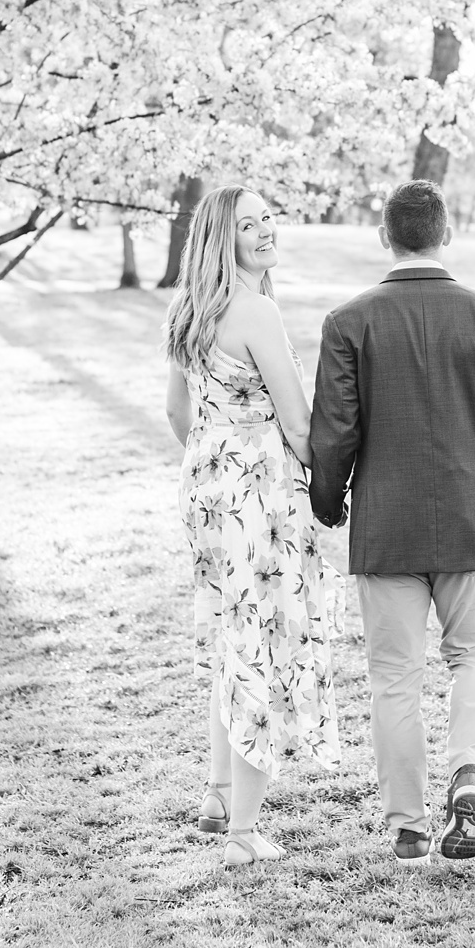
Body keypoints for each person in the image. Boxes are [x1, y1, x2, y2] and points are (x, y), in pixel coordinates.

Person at [308, 179, 475, 867]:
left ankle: (408, 825)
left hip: (385, 526)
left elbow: (334, 434)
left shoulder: (348, 322)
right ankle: (470, 775)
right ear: (447, 234)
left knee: (393, 676)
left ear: (385, 236)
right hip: (472, 523)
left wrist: (328, 503)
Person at [163, 185, 342, 867]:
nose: (266, 231)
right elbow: (299, 424)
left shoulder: (187, 311)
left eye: (269, 218)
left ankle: (216, 795)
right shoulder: (256, 311)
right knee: (261, 647)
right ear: (222, 239)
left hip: (209, 493)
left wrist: (216, 458)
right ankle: (242, 831)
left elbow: (177, 414)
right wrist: (329, 491)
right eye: (248, 225)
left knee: (232, 642)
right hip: (261, 499)